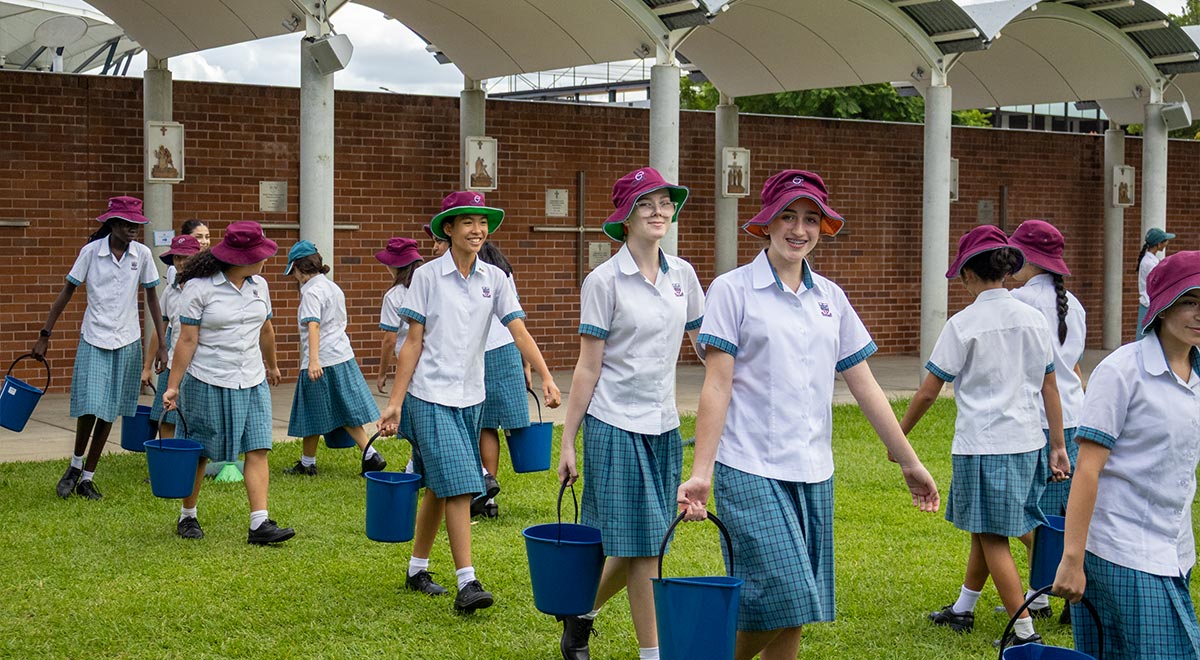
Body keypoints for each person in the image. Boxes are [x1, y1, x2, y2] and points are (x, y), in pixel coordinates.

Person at [677, 170, 940, 660]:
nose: (799, 229)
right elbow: (717, 384)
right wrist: (700, 473)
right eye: (788, 216)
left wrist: (908, 460)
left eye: (811, 218)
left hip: (814, 471)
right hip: (749, 465)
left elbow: (864, 384)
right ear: (766, 223)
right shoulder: (732, 290)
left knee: (796, 612)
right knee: (786, 593)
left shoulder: (831, 298)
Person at [378, 191, 561, 614]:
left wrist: (547, 376)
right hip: (428, 396)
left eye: (483, 222)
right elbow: (412, 344)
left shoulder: (495, 279)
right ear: (449, 229)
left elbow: (518, 331)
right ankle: (468, 582)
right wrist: (396, 401)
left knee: (439, 491)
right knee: (461, 482)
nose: (478, 230)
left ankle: (416, 569)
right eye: (468, 223)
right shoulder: (425, 277)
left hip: (471, 397)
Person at [556, 167, 704, 660]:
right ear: (626, 216)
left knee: (641, 541)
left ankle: (579, 614)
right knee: (645, 550)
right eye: (647, 203)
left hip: (663, 426)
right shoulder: (603, 280)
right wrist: (567, 440)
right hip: (613, 423)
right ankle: (653, 654)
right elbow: (587, 367)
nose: (660, 211)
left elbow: (708, 348)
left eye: (665, 202)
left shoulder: (683, 275)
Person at [901, 224, 1070, 648]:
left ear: (968, 276)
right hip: (1030, 441)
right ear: (1006, 271)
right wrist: (1058, 445)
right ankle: (963, 610)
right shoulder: (1033, 319)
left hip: (984, 446)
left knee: (994, 535)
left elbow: (928, 389)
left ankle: (1024, 634)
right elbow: (1050, 385)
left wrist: (898, 437)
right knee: (988, 527)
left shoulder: (963, 323)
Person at [1053, 250, 1200, 659]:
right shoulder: (1122, 371)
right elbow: (1087, 471)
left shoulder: (1199, 372)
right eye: (1190, 301)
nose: (1199, 313)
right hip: (1121, 546)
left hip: (1175, 550)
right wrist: (1071, 559)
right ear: (1163, 305)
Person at [162, 221, 293, 544]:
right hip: (207, 378)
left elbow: (266, 330)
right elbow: (187, 340)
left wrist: (272, 365)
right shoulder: (199, 288)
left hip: (251, 378)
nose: (266, 260)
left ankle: (259, 523)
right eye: (260, 255)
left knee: (258, 447)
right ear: (240, 258)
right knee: (200, 452)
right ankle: (187, 516)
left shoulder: (259, 286)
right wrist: (173, 385)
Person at [34, 196, 166, 501]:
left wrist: (162, 345)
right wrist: (45, 334)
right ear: (112, 224)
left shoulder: (143, 255)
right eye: (127, 224)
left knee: (111, 411)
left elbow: (152, 299)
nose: (133, 229)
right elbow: (67, 290)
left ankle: (88, 478)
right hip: (94, 337)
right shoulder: (91, 252)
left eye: (137, 224)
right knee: (91, 405)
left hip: (128, 340)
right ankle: (74, 464)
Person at [1007, 219, 1087, 622]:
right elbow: (1072, 365)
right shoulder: (1076, 305)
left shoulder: (1017, 303)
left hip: (1034, 421)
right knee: (1062, 516)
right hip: (1075, 416)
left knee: (1022, 514)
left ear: (1025, 257)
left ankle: (1043, 593)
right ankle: (1047, 596)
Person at [282, 240, 384, 476]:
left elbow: (314, 326)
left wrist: (313, 360)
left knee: (327, 411)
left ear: (299, 268)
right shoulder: (332, 287)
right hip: (341, 354)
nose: (294, 277)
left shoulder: (311, 293)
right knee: (323, 410)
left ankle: (368, 455)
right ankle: (313, 462)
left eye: (294, 271)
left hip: (322, 360)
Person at [473, 241, 532, 519]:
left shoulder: (474, 275)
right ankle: (489, 490)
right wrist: (527, 365)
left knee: (483, 425)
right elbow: (518, 322)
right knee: (497, 423)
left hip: (480, 353)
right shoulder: (504, 273)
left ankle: (484, 487)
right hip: (508, 349)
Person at [143, 233, 204, 439]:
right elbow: (160, 329)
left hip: (202, 365)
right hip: (173, 364)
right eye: (177, 258)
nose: (181, 263)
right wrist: (147, 367)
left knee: (196, 419)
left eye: (186, 257)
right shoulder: (170, 290)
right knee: (167, 416)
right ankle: (170, 459)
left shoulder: (209, 288)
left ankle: (195, 462)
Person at [375, 237, 424, 394]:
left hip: (409, 361)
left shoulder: (394, 296)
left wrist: (382, 373)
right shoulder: (430, 286)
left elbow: (390, 340)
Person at [1137, 227, 1175, 339]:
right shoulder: (1149, 263)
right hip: (1149, 304)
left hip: (1150, 303)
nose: (1167, 243)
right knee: (1144, 337)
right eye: (1165, 241)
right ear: (1158, 244)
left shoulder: (1151, 260)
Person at [164, 219, 211, 285]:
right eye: (199, 237)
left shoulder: (212, 267)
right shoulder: (173, 269)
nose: (204, 242)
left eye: (207, 237)